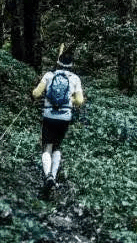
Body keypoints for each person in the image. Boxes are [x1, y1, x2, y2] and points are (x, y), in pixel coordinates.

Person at [31, 46, 85, 193]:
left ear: (58, 62)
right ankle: (53, 177)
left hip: (49, 115)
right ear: (71, 65)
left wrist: (42, 93)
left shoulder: (49, 75)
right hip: (65, 117)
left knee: (47, 146)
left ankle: (47, 175)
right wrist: (70, 99)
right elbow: (80, 101)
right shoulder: (74, 79)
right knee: (57, 147)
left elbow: (36, 94)